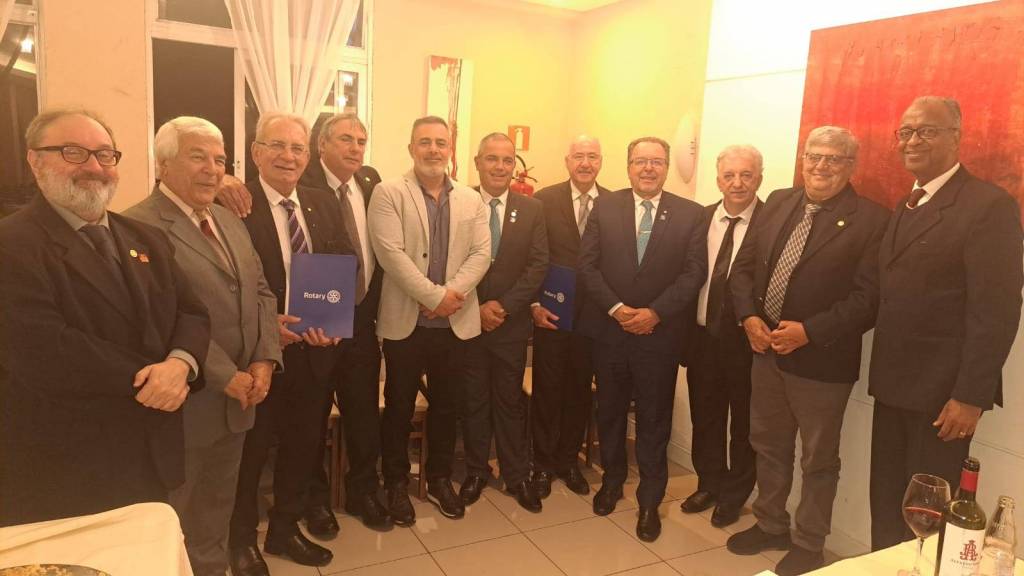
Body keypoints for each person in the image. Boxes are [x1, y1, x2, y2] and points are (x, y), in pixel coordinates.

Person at [0, 108, 210, 526]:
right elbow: (45, 348)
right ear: (35, 160)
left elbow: (191, 311)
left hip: (151, 451)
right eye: (73, 152)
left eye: (104, 155)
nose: (94, 167)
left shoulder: (146, 238)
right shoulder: (11, 244)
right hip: (62, 466)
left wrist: (180, 364)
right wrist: (155, 379)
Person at [726, 126, 890, 576]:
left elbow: (869, 298)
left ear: (850, 166)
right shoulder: (780, 201)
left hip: (822, 362)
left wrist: (810, 332)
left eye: (833, 159)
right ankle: (770, 523)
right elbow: (743, 269)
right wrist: (748, 317)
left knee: (818, 459)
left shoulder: (872, 220)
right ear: (802, 159)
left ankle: (809, 543)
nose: (821, 166)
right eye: (814, 156)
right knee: (768, 445)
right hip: (765, 351)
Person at [124, 116, 280, 576]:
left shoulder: (229, 221)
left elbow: (261, 292)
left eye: (220, 159)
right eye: (198, 157)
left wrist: (264, 359)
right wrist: (224, 375)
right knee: (169, 522)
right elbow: (158, 317)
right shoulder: (137, 226)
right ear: (163, 163)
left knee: (215, 518)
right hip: (184, 409)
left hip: (239, 403)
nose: (212, 169)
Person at [868, 96, 1023, 550]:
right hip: (893, 385)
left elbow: (996, 310)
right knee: (886, 502)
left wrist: (970, 396)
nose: (912, 141)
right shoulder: (909, 202)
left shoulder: (988, 206)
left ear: (956, 137)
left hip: (943, 400)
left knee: (928, 516)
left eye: (927, 131)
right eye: (906, 132)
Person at [226, 112, 355, 575]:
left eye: (297, 148)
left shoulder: (321, 202)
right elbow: (227, 284)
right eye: (277, 146)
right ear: (256, 153)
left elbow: (344, 261)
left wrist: (333, 320)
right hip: (260, 356)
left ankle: (283, 529)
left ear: (308, 155)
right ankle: (241, 540)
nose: (288, 156)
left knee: (302, 447)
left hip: (314, 353)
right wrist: (267, 326)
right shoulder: (235, 205)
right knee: (251, 453)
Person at [578, 136, 707, 542]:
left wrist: (655, 313)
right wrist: (617, 309)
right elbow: (587, 265)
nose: (648, 168)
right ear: (628, 166)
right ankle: (612, 482)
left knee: (654, 420)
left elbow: (694, 272)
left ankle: (650, 500)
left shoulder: (691, 214)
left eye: (656, 161)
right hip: (610, 333)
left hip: (659, 337)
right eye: (640, 161)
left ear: (666, 167)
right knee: (610, 413)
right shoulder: (605, 206)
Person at [368, 116, 490, 525]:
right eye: (425, 142)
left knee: (447, 406)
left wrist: (448, 297)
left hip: (455, 324)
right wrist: (435, 297)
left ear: (450, 150)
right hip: (406, 323)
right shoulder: (388, 193)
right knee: (398, 406)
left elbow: (481, 255)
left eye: (441, 142)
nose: (433, 149)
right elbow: (391, 255)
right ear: (411, 148)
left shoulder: (471, 198)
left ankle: (438, 479)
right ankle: (395, 483)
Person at [300, 114, 391, 534]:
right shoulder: (301, 183)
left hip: (362, 321)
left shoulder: (369, 183)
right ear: (322, 144)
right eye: (345, 139)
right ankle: (314, 500)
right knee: (312, 417)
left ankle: (363, 492)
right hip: (317, 326)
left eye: (361, 140)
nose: (355, 148)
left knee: (363, 414)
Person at [458, 133, 548, 512]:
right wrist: (476, 306)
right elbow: (448, 262)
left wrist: (504, 306)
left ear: (514, 166)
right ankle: (476, 471)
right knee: (474, 400)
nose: (499, 166)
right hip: (467, 322)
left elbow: (538, 265)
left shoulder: (532, 209)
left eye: (507, 160)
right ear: (477, 162)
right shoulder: (458, 202)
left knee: (510, 402)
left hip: (509, 326)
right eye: (491, 158)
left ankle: (516, 474)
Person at [680, 145, 763, 528]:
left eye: (746, 175)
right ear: (718, 180)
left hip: (745, 341)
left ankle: (734, 494)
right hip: (701, 338)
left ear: (759, 178)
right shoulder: (700, 219)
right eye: (729, 175)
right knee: (706, 417)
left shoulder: (771, 222)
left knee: (744, 424)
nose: (738, 183)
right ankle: (709, 483)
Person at [530, 135, 610, 498]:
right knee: (547, 391)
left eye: (592, 156)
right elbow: (531, 256)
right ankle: (542, 464)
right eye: (579, 156)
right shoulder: (543, 200)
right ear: (567, 161)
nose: (585, 163)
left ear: (601, 162)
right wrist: (533, 304)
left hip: (594, 318)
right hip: (552, 314)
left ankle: (567, 462)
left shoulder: (614, 204)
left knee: (579, 392)